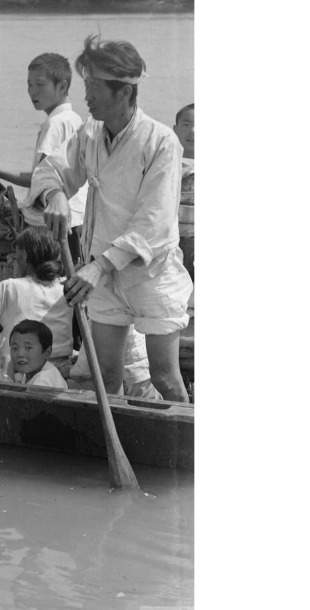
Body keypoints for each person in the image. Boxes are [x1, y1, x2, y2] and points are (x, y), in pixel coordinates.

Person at [31, 35, 193, 402]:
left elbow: (153, 223)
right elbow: (52, 170)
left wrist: (99, 267)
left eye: (94, 87)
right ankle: (118, 445)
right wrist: (55, 195)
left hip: (152, 274)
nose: (85, 96)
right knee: (105, 374)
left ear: (123, 93)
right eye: (85, 85)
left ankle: (183, 455)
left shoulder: (162, 142)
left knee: (165, 377)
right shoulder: (89, 132)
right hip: (103, 273)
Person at [0, 53, 89, 262]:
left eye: (40, 84)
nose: (32, 91)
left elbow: (38, 179)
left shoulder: (55, 124)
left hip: (53, 224)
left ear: (62, 86)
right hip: (75, 219)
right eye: (29, 85)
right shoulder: (73, 119)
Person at [0, 226, 74, 376]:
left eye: (17, 255)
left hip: (19, 372)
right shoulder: (69, 287)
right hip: (62, 371)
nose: (16, 260)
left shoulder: (9, 287)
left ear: (25, 256)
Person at [6, 320, 67, 388]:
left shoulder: (41, 382)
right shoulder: (34, 371)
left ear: (47, 353)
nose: (20, 354)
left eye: (28, 348)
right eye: (15, 348)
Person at [174, 103, 195, 282]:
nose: (193, 131)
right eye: (186, 125)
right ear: (175, 129)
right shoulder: (164, 166)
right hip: (170, 245)